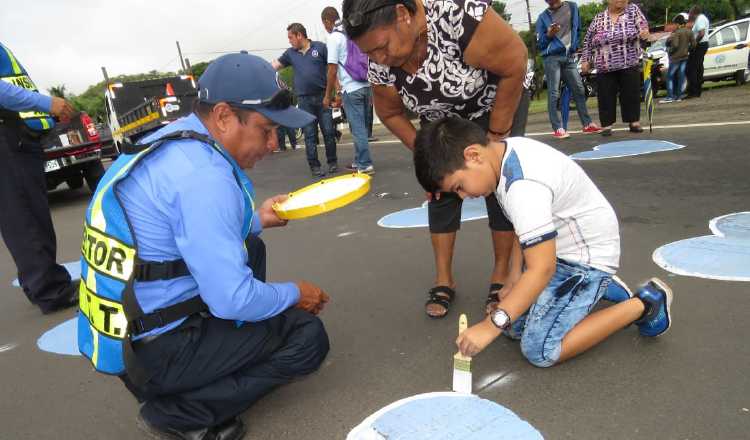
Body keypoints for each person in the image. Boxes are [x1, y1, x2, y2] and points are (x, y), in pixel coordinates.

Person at [76, 52, 330, 440]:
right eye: (266, 129)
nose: (273, 143)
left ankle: (202, 375)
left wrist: (257, 219)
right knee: (307, 338)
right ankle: (178, 413)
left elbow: (177, 227)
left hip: (128, 336)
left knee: (252, 247)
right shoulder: (204, 177)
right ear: (225, 117)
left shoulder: (171, 140)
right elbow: (232, 299)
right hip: (157, 352)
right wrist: (297, 293)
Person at [413, 117, 674, 367]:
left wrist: (489, 327)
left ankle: (644, 303)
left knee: (540, 349)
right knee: (512, 327)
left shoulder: (523, 185)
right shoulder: (504, 153)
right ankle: (598, 290)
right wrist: (513, 278)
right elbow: (523, 226)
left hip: (585, 261)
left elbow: (542, 268)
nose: (463, 196)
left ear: (473, 155)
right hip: (557, 250)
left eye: (459, 186)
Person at [343, 0, 531, 319]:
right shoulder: (381, 60)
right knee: (440, 189)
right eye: (369, 54)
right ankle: (444, 278)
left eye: (382, 47)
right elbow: (389, 112)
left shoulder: (460, 17)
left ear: (403, 14)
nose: (378, 59)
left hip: (494, 103)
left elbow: (516, 61)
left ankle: (501, 275)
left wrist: (497, 138)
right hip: (439, 117)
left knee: (497, 187)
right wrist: (427, 154)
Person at [0, 42, 79, 314]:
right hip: (6, 138)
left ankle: (41, 284)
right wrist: (47, 103)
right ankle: (50, 290)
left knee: (21, 216)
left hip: (12, 135)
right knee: (26, 217)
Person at [273, 23, 339, 177]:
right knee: (309, 134)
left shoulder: (321, 47)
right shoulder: (290, 53)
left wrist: (338, 91)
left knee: (329, 132)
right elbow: (274, 65)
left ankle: (332, 162)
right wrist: (257, 69)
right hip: (304, 101)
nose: (289, 41)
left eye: (290, 37)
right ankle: (314, 166)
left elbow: (332, 69)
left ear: (299, 35)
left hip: (324, 96)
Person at [581, 0, 650, 136]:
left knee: (631, 92)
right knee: (605, 95)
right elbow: (587, 41)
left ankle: (634, 121)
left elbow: (643, 26)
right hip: (604, 65)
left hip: (628, 61)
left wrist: (644, 32)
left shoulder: (633, 11)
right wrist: (585, 60)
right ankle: (606, 124)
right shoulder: (599, 18)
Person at [536, 0, 602, 139]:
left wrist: (575, 45)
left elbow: (576, 28)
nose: (550, 2)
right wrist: (549, 35)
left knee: (579, 89)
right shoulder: (543, 17)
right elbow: (540, 44)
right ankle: (557, 128)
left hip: (568, 56)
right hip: (551, 58)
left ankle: (587, 124)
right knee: (554, 93)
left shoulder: (572, 6)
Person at [322, 6, 375, 174]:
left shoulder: (334, 37)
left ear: (327, 21)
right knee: (361, 128)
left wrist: (328, 94)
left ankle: (365, 164)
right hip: (366, 83)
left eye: (324, 24)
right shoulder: (352, 31)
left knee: (357, 128)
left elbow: (331, 69)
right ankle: (360, 160)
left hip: (351, 88)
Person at [660, 14, 695, 103]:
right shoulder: (689, 31)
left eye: (674, 23)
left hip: (675, 58)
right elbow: (694, 44)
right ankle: (679, 96)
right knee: (681, 77)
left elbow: (675, 45)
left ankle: (670, 96)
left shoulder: (677, 32)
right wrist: (687, 50)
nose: (674, 25)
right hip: (684, 57)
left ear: (677, 23)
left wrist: (668, 50)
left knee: (670, 77)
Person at [686, 5, 710, 99]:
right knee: (698, 68)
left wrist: (694, 44)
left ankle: (693, 91)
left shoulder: (700, 19)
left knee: (691, 68)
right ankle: (697, 91)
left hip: (700, 45)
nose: (689, 14)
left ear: (694, 12)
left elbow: (701, 33)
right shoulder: (703, 18)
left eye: (690, 12)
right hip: (703, 44)